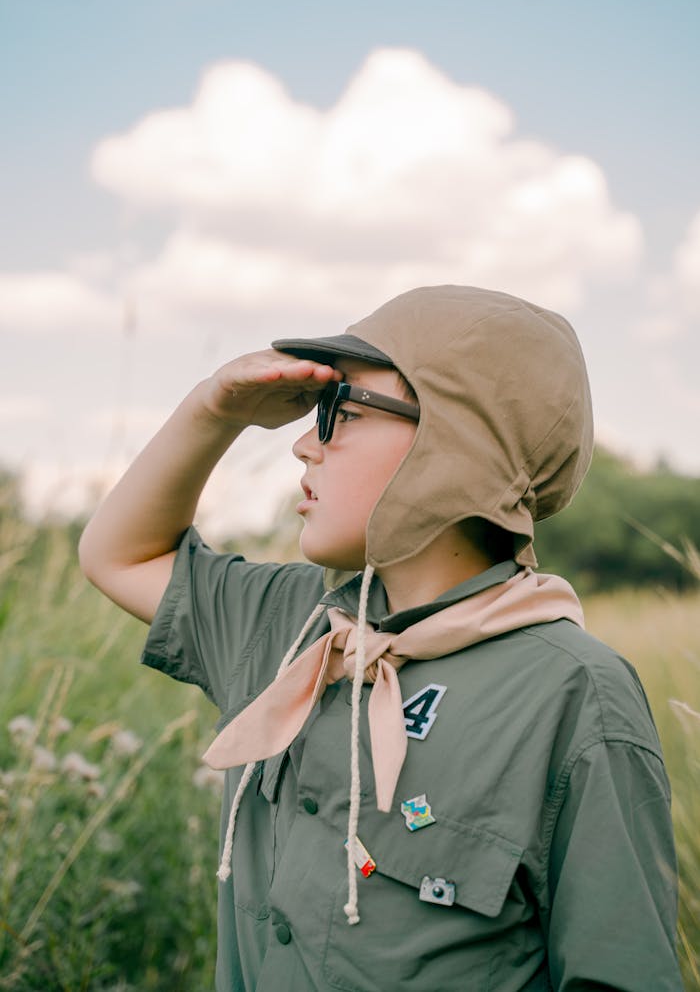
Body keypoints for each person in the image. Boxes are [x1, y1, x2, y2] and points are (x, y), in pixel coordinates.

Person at [79, 285, 682, 991]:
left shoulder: (573, 693)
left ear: (454, 443)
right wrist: (215, 412)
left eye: (339, 413)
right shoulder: (290, 622)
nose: (304, 444)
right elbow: (120, 555)